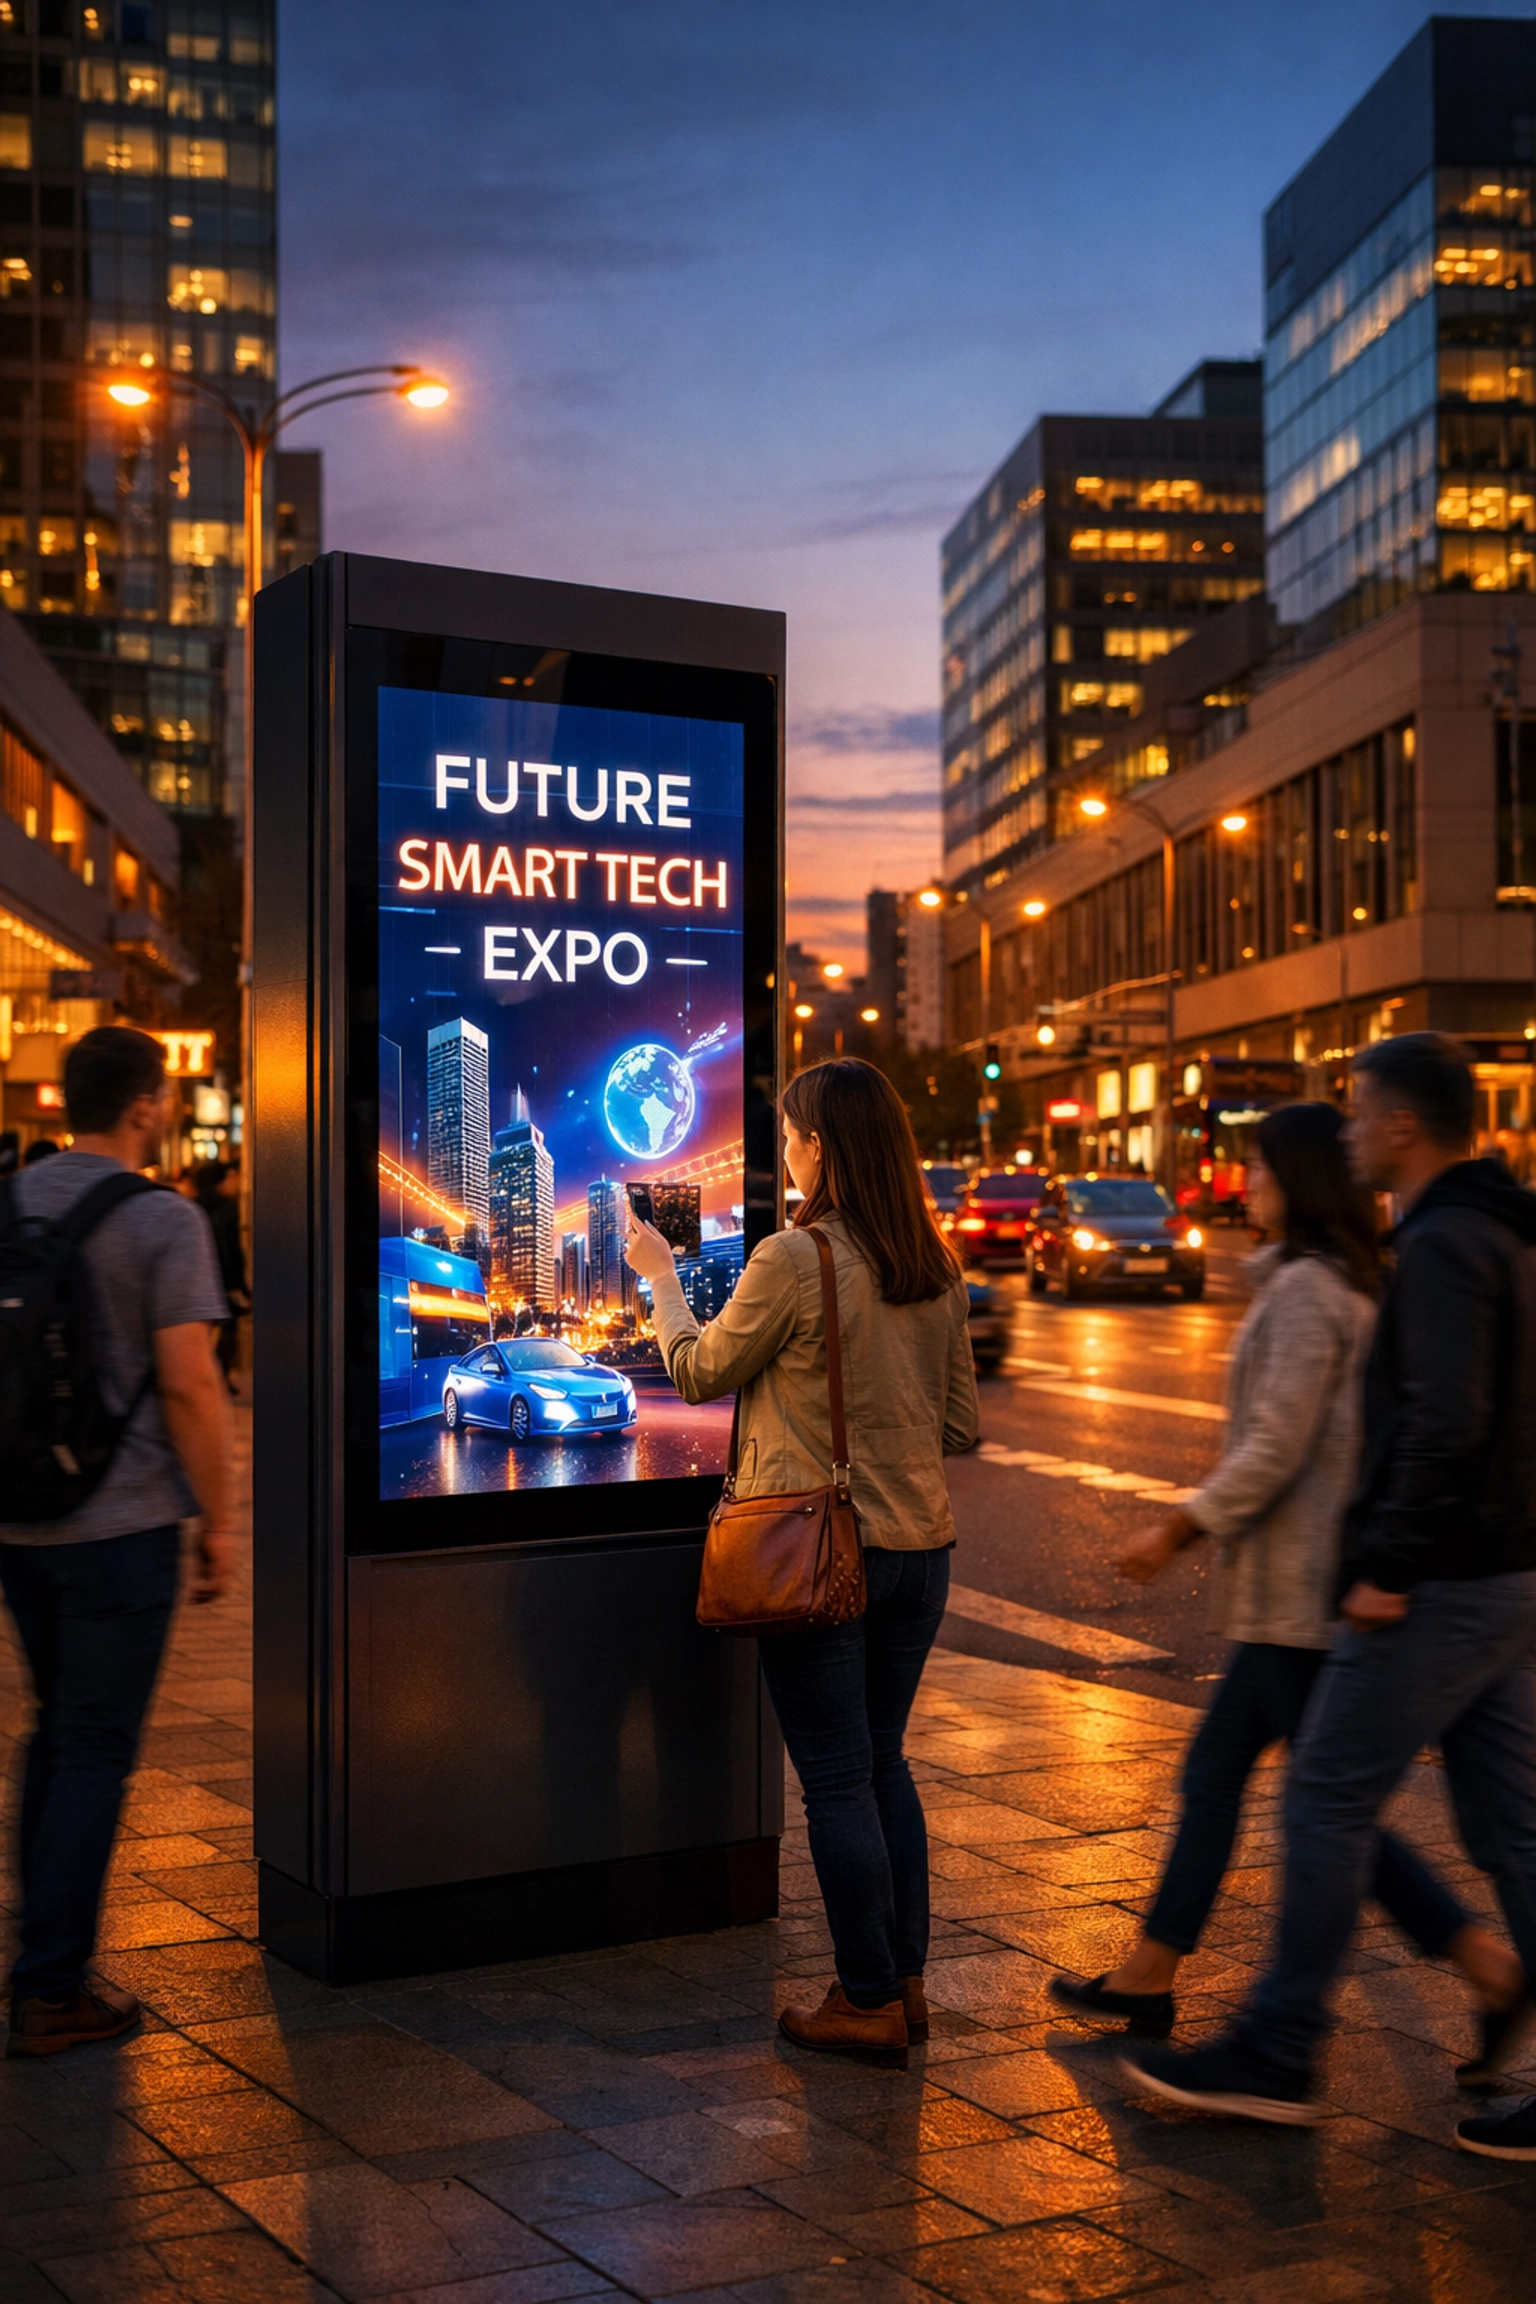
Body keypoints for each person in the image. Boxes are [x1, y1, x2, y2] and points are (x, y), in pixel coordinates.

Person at [1121, 1034, 1536, 2134]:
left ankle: (1280, 2047)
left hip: (1440, 1577)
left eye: (1358, 1112)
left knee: (1326, 1795)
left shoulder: (1445, 1243)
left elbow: (1445, 1423)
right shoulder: (1506, 1232)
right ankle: (1490, 1979)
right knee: (1511, 1830)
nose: (1348, 1131)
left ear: (1403, 1127)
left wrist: (1388, 1566)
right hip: (1508, 1574)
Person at [625, 1057, 978, 2068]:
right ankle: (903, 1985)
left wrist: (660, 1278)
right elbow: (958, 1421)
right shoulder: (935, 1264)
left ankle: (865, 1998)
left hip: (823, 1556)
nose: (784, 1148)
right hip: (920, 1553)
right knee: (883, 1764)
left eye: (789, 1133)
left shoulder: (795, 1258)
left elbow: (697, 1371)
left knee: (834, 1783)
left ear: (820, 1146)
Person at [0, 1026, 233, 2057]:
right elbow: (189, 1382)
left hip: (20, 1515)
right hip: (122, 1520)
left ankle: (39, 1962)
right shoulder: (161, 1219)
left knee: (56, 1730)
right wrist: (218, 1518)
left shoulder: (10, 1201)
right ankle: (50, 1988)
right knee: (93, 1745)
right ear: (145, 1105)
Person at [191, 1161, 249, 1393]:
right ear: (220, 1180)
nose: (234, 1183)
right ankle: (219, 1377)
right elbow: (231, 1249)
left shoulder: (192, 1206)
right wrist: (238, 1284)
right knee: (228, 1332)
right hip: (223, 1279)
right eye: (231, 1178)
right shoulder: (226, 1209)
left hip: (198, 1278)